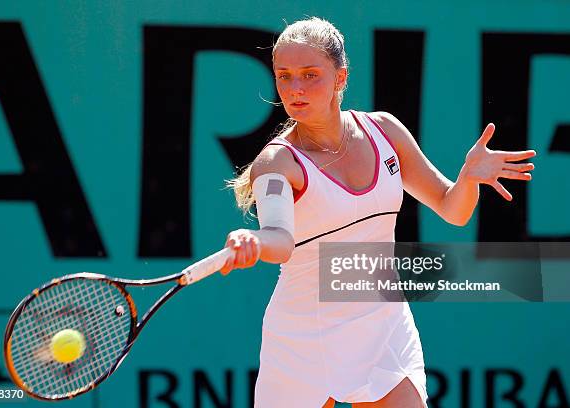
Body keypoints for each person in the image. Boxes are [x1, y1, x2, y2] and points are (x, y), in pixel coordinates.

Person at [222, 17, 536, 408]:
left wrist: (468, 178)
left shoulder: (385, 131)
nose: (295, 88)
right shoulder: (276, 162)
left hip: (383, 323)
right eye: (284, 76)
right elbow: (280, 240)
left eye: (309, 74)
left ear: (341, 78)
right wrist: (254, 241)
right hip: (304, 337)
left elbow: (452, 208)